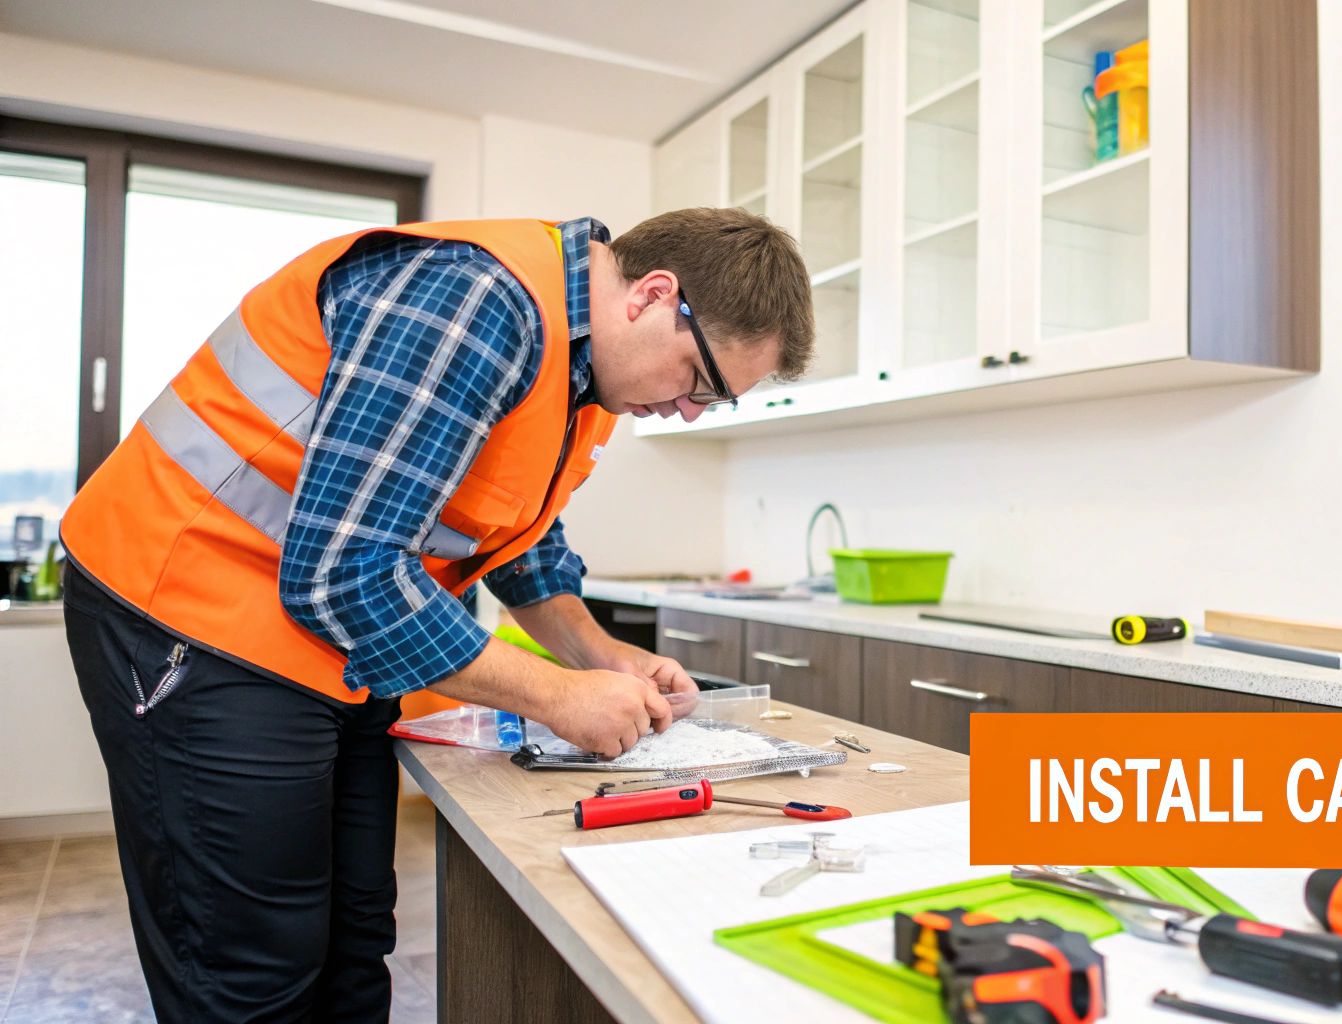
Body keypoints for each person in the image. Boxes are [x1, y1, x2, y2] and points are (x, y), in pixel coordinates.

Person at [56, 208, 815, 1021]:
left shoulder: (583, 371)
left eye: (716, 401)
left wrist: (602, 657)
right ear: (655, 297)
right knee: (249, 967)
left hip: (325, 645)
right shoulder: (473, 300)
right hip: (187, 615)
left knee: (351, 941)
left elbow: (518, 541)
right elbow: (346, 574)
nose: (692, 410)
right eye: (699, 381)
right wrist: (556, 695)